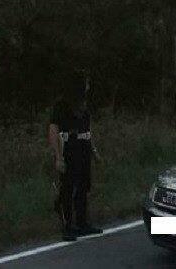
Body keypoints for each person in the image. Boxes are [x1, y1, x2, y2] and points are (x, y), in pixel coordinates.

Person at [49, 72, 102, 241]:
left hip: (83, 148)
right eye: (86, 83)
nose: (88, 87)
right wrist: (58, 157)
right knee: (67, 187)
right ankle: (67, 225)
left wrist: (94, 151)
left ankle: (82, 223)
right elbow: (53, 130)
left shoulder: (83, 106)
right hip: (69, 148)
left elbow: (87, 129)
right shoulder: (62, 105)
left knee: (83, 186)